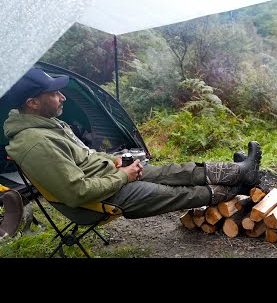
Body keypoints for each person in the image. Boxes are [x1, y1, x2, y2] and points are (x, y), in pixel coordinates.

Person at [2, 68, 262, 219]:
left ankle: (240, 172)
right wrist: (124, 177)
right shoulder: (35, 143)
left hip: (107, 177)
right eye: (54, 93)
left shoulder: (47, 123)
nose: (62, 98)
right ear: (32, 103)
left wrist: (112, 162)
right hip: (95, 201)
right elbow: (76, 193)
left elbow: (83, 158)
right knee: (173, 193)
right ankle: (237, 187)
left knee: (170, 171)